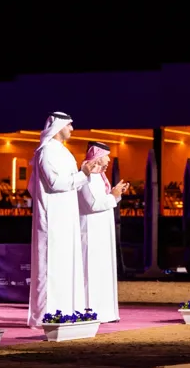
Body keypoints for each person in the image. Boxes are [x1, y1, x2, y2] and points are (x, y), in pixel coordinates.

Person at [27, 112, 105, 328]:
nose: (72, 129)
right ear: (58, 126)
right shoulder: (46, 152)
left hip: (66, 219)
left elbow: (71, 182)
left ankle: (65, 312)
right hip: (52, 221)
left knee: (65, 267)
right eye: (69, 125)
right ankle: (44, 317)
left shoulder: (64, 152)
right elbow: (54, 183)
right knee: (50, 267)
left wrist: (85, 173)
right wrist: (83, 174)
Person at [78, 142, 128, 323]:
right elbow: (93, 204)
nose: (108, 160)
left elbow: (105, 202)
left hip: (101, 233)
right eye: (106, 156)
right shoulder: (86, 177)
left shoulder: (99, 177)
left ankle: (105, 312)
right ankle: (90, 312)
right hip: (90, 233)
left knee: (102, 272)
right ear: (98, 157)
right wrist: (113, 195)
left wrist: (116, 194)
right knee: (90, 273)